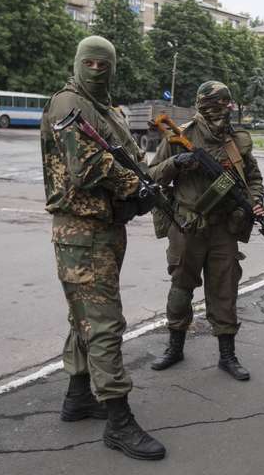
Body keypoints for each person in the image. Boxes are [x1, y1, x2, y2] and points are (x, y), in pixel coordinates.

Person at [40, 35, 166, 461]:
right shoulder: (67, 105)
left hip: (107, 229)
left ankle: (78, 397)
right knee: (106, 323)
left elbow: (132, 158)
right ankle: (119, 420)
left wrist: (148, 183)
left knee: (86, 320)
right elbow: (87, 165)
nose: (97, 70)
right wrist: (136, 184)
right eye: (89, 63)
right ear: (78, 63)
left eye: (104, 64)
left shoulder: (108, 111)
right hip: (82, 232)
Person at [148, 80, 264, 381]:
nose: (219, 110)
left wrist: (256, 202)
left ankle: (227, 355)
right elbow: (151, 175)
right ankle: (174, 347)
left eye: (224, 104)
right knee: (181, 287)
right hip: (187, 226)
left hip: (223, 228)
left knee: (225, 289)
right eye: (212, 104)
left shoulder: (236, 139)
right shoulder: (180, 135)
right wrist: (177, 162)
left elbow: (252, 177)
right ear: (200, 104)